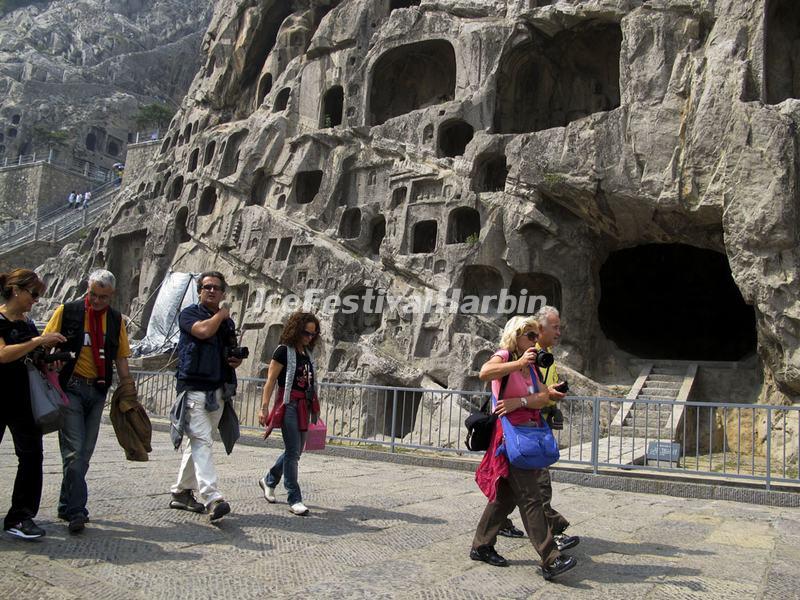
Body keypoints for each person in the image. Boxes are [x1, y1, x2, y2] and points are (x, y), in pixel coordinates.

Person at [470, 316, 577, 581]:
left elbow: (541, 398)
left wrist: (528, 399)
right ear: (515, 336)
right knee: (531, 497)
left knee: (505, 497)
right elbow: (485, 372)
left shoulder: (531, 367)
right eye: (529, 335)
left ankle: (481, 545)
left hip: (528, 433)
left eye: (535, 336)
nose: (534, 340)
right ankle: (551, 557)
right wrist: (518, 364)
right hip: (509, 437)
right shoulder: (506, 356)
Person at [43, 269, 133, 534]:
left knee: (84, 453)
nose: (96, 301)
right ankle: (77, 510)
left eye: (102, 297)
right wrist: (53, 356)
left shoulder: (116, 320)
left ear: (111, 295)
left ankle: (64, 503)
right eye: (93, 294)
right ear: (88, 288)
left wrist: (128, 388)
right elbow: (45, 342)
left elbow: (121, 357)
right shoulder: (68, 311)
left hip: (98, 390)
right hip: (70, 386)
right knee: (74, 450)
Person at [169, 271, 242, 522]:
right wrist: (222, 314)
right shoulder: (190, 314)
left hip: (218, 389)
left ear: (223, 292)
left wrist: (235, 360)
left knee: (199, 441)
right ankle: (213, 498)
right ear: (200, 290)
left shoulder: (228, 325)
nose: (211, 291)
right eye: (206, 287)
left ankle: (180, 493)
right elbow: (202, 332)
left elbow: (228, 350)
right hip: (194, 388)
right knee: (201, 441)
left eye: (216, 287)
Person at [0, 269, 66, 539]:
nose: (36, 300)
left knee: (31, 456)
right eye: (34, 294)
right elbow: (3, 354)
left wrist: (49, 357)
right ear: (17, 290)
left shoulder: (26, 323)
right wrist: (38, 340)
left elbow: (30, 356)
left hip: (23, 398)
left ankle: (21, 516)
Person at [258, 311, 321, 516]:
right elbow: (270, 381)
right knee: (293, 452)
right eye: (306, 333)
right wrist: (264, 407)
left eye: (313, 334)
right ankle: (294, 498)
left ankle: (269, 479)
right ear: (296, 330)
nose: (309, 337)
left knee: (295, 451)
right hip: (289, 405)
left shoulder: (307, 354)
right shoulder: (283, 351)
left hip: (305, 404)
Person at [533, 305, 574, 543]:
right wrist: (548, 397)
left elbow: (546, 387)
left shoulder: (548, 355)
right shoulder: (532, 355)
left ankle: (490, 532)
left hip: (541, 422)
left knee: (510, 487)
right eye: (555, 327)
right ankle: (552, 532)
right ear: (540, 328)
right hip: (530, 426)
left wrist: (554, 402)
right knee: (540, 483)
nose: (559, 332)